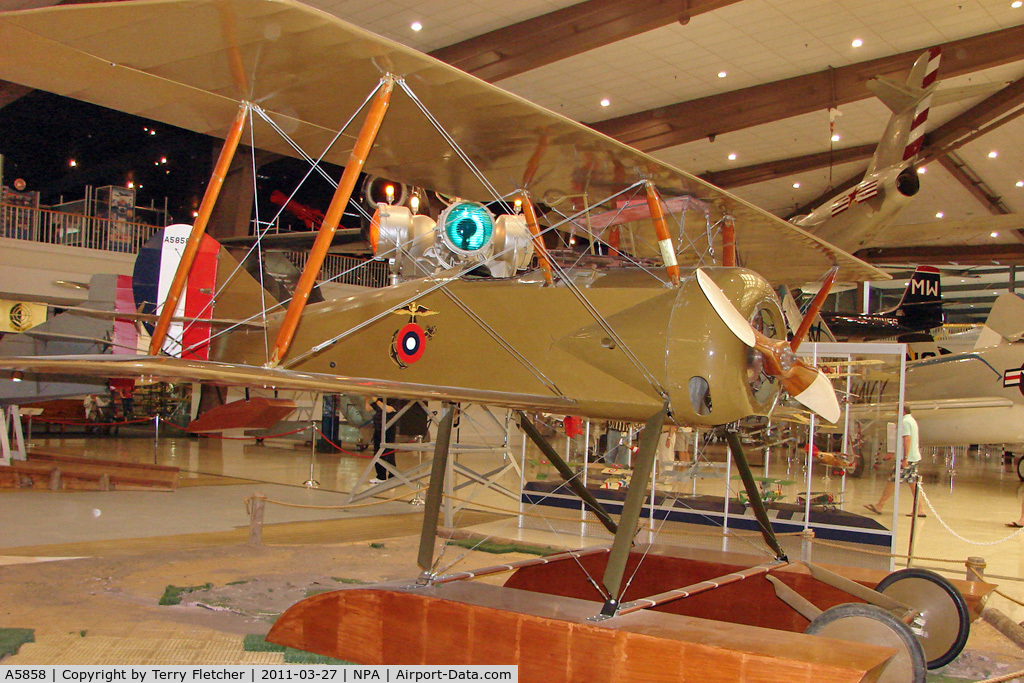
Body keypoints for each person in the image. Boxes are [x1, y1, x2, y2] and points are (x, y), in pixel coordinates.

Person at [864, 407, 923, 516]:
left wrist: (905, 457)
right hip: (913, 457)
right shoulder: (911, 420)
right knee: (912, 483)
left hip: (908, 459)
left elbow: (907, 439)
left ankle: (879, 505)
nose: (896, 413)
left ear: (902, 411)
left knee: (893, 481)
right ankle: (920, 509)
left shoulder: (905, 422)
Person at [366, 396, 397, 483]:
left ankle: (392, 476)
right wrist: (367, 399)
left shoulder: (394, 400)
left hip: (389, 429)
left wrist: (376, 400)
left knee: (389, 453)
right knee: (377, 452)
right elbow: (368, 409)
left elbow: (389, 409)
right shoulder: (379, 401)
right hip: (378, 429)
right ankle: (381, 476)